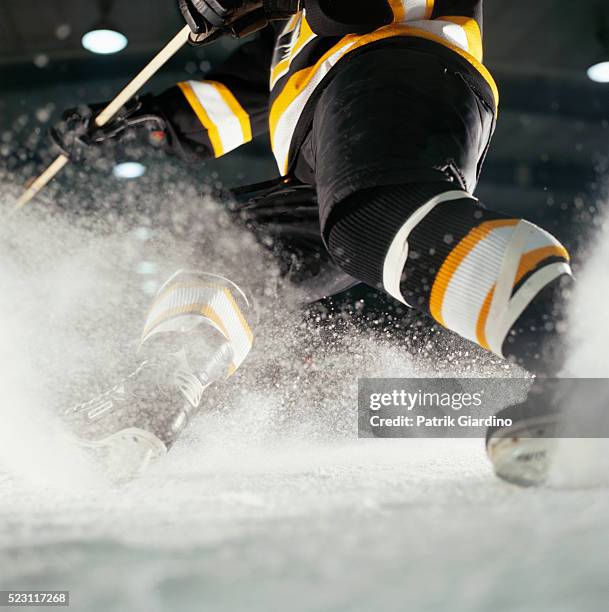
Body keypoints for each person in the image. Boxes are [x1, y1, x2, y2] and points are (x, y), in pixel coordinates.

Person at [51, 0, 574, 484]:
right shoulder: (288, 32)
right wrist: (142, 121)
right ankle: (159, 389)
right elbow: (245, 91)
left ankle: (574, 356)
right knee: (221, 245)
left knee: (374, 215)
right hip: (320, 137)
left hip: (394, 69)